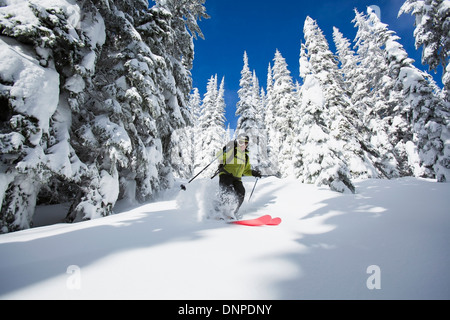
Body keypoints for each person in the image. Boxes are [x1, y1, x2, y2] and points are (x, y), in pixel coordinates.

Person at [215, 134, 261, 220]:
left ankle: (232, 212)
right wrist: (224, 151)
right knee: (226, 192)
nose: (242, 144)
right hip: (226, 174)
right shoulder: (232, 151)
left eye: (245, 143)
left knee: (241, 193)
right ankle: (219, 212)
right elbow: (220, 156)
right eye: (240, 142)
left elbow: (246, 171)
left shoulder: (246, 157)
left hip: (237, 179)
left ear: (247, 144)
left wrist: (254, 173)